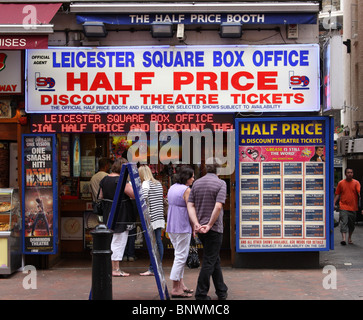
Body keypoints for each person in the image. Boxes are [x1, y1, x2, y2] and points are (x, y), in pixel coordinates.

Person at [187, 159, 228, 300]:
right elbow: (218, 206)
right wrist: (210, 224)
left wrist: (196, 224)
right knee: (210, 261)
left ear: (205, 169)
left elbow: (190, 205)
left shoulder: (196, 183)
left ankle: (222, 291)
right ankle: (201, 294)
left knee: (213, 258)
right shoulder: (221, 183)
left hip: (200, 229)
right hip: (214, 228)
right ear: (218, 171)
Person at [99, 158, 135, 277]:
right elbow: (133, 195)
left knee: (111, 238)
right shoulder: (121, 180)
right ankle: (115, 268)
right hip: (121, 212)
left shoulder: (105, 179)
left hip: (108, 211)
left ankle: (111, 267)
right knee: (119, 239)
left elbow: (101, 196)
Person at [166, 166, 195, 298]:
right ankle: (175, 288)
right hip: (182, 225)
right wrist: (194, 225)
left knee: (179, 255)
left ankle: (180, 284)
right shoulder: (186, 190)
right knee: (181, 257)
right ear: (186, 178)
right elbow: (190, 209)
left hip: (172, 225)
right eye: (192, 177)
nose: (193, 179)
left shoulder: (172, 187)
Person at [138, 165, 165, 276]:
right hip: (159, 216)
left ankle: (153, 268)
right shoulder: (158, 183)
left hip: (151, 217)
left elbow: (143, 198)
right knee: (158, 242)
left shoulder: (145, 184)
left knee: (154, 244)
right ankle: (157, 267)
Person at [334, 168, 361, 245]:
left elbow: (359, 193)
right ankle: (344, 239)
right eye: (348, 172)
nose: (350, 174)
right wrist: (334, 202)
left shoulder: (356, 183)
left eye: (351, 172)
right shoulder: (341, 183)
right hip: (343, 206)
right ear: (345, 174)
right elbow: (337, 194)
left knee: (351, 225)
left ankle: (349, 238)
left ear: (353, 174)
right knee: (343, 222)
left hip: (353, 207)